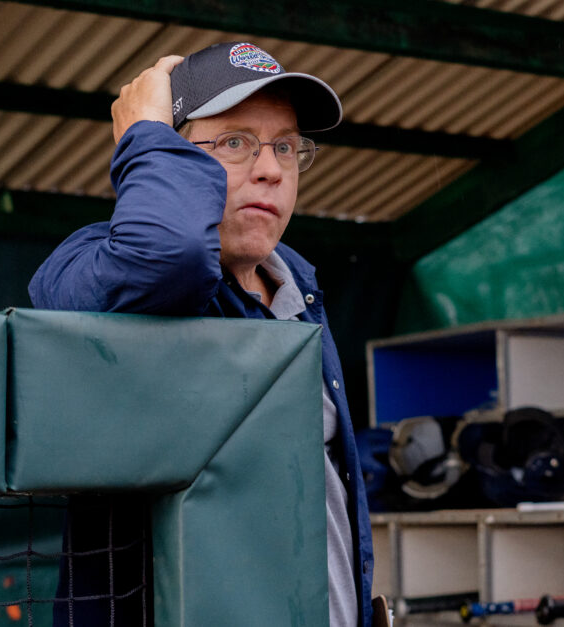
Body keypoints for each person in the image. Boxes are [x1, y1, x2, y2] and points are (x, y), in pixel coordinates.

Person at [29, 42, 374, 627]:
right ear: (170, 154)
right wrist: (144, 134)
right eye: (236, 142)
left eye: (285, 147)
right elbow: (171, 255)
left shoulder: (299, 287)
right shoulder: (95, 264)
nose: (270, 168)